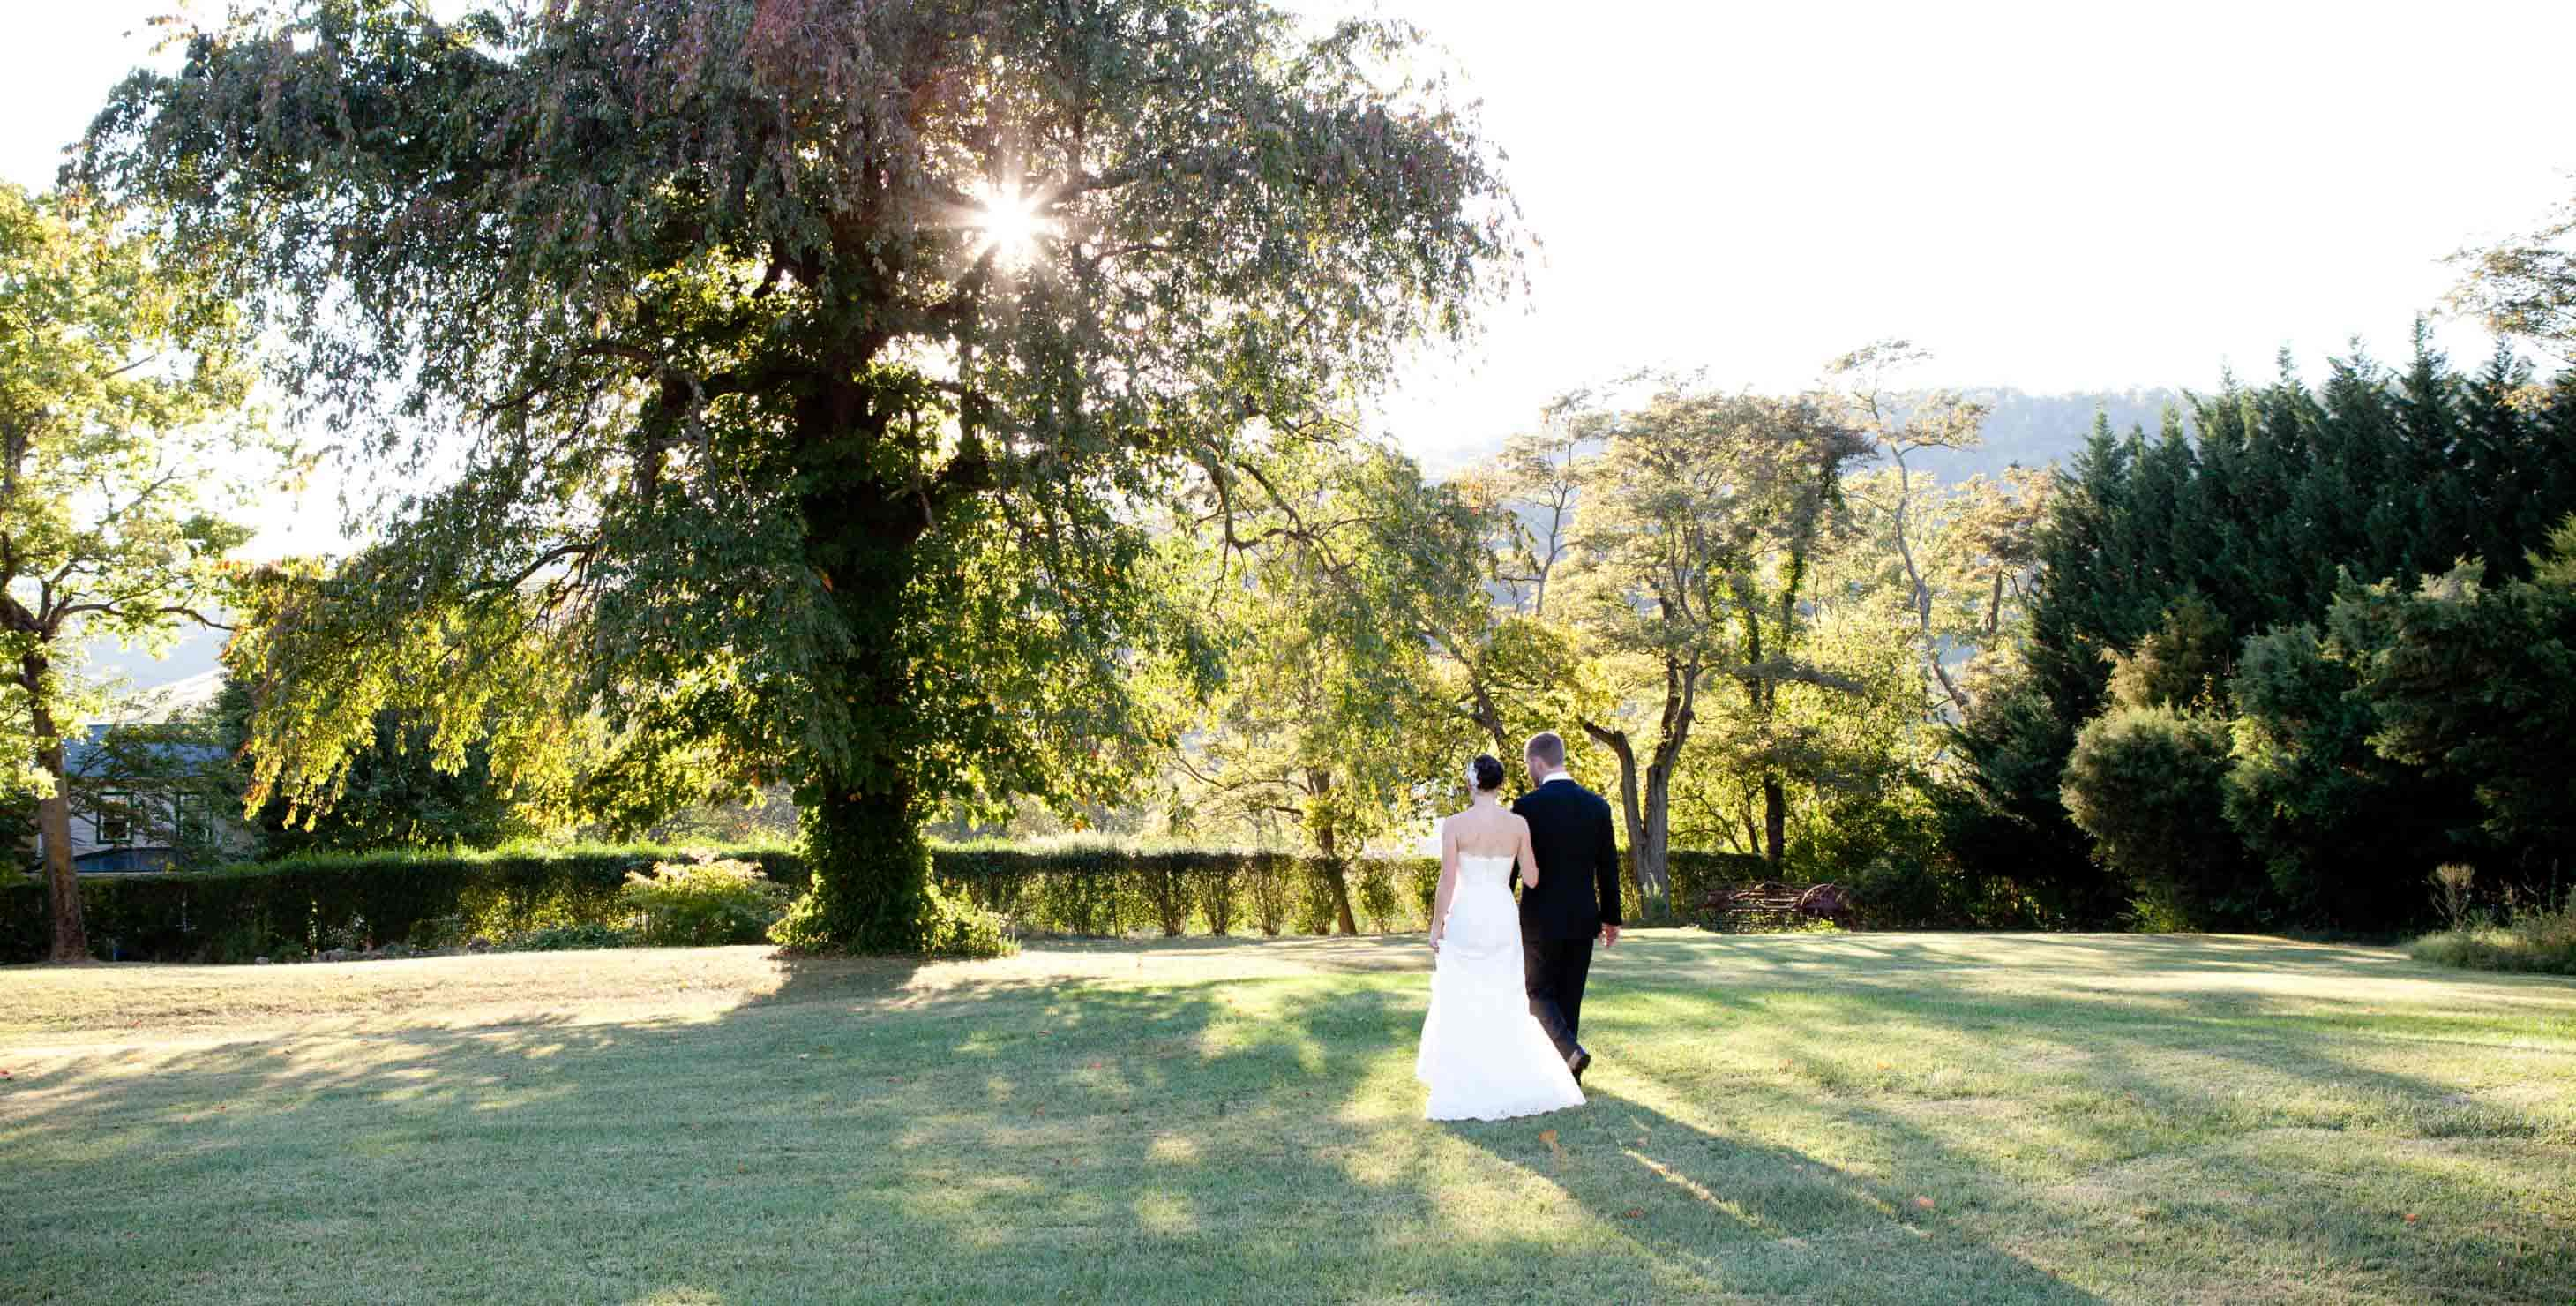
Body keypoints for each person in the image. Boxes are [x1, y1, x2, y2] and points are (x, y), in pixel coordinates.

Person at [1414, 754, 1585, 1122]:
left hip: (1467, 913)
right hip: (1502, 914)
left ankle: (1465, 1070)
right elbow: (1533, 878)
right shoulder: (1518, 824)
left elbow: (1447, 880)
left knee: (1464, 989)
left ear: (1473, 783)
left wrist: (1435, 926)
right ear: (1500, 783)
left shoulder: (1455, 824)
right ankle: (1507, 1068)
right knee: (1504, 991)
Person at [1509, 731, 1621, 1083]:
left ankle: (1570, 1056)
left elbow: (1513, 866)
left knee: (1538, 993)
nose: (1529, 770)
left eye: (1529, 764)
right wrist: (1611, 919)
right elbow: (1608, 868)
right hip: (1582, 918)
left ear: (1538, 762)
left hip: (1539, 920)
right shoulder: (1597, 806)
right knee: (1569, 997)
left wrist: (1500, 901)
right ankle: (1567, 1078)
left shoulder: (1526, 807)